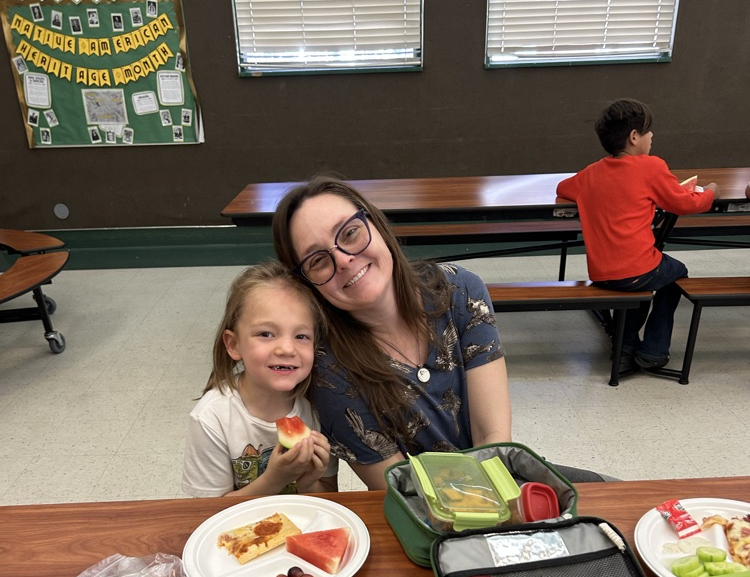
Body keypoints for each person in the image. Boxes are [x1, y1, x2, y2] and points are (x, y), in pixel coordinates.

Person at [272, 175, 609, 489]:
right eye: (317, 260)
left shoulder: (459, 291)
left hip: (500, 476)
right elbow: (400, 488)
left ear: (375, 223)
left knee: (621, 496)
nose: (343, 260)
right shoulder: (329, 369)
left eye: (349, 233)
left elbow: (492, 437)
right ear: (307, 283)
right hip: (429, 514)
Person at [556, 98, 719, 371]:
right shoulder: (651, 167)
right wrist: (712, 191)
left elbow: (563, 186)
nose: (652, 135)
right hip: (637, 270)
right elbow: (687, 204)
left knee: (641, 281)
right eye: (648, 130)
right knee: (675, 273)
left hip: (601, 272)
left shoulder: (590, 174)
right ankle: (653, 351)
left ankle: (626, 346)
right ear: (634, 137)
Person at [182, 260, 337, 497]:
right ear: (234, 345)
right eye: (266, 334)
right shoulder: (211, 419)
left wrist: (309, 481)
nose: (287, 348)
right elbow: (206, 513)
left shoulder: (320, 408)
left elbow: (328, 495)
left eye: (301, 336)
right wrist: (274, 479)